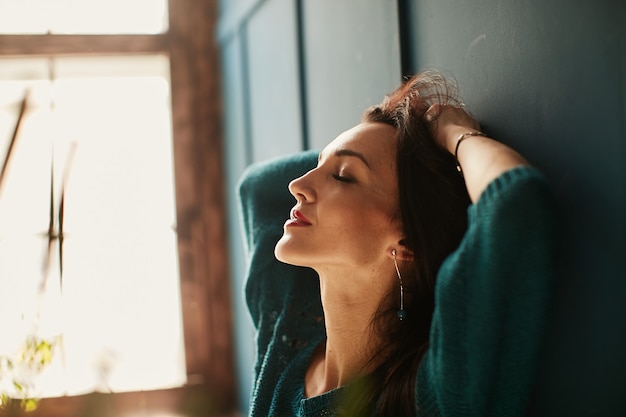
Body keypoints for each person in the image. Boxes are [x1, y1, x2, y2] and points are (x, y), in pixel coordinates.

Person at [238, 71, 556, 416]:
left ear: (407, 242)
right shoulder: (288, 332)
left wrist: (453, 134)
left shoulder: (434, 392)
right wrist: (399, 131)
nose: (297, 184)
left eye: (343, 176)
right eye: (316, 166)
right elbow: (257, 187)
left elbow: (514, 203)